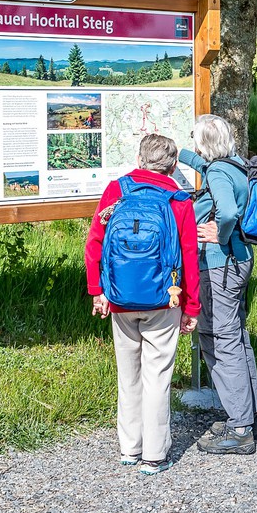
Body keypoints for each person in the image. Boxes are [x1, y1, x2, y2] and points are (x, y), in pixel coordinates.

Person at [85, 134, 199, 475]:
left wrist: (98, 290)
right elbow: (189, 257)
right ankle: (154, 455)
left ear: (139, 159)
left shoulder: (116, 190)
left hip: (119, 298)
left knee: (128, 375)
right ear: (173, 166)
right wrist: (191, 307)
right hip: (165, 300)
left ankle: (129, 448)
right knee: (157, 376)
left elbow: (95, 241)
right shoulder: (179, 200)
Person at [179, 114, 257, 456]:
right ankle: (251, 417)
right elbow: (208, 167)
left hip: (220, 265)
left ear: (203, 143)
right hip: (239, 260)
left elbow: (226, 212)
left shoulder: (216, 172)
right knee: (237, 337)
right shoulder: (235, 164)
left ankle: (239, 429)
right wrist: (179, 154)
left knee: (220, 339)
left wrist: (221, 234)